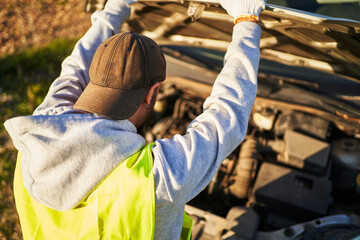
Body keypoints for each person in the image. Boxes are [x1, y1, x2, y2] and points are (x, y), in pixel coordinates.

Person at [5, 0, 265, 239]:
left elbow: (75, 65)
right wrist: (247, 21)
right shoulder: (156, 177)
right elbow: (228, 115)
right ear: (153, 93)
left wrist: (115, 6)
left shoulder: (38, 127)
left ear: (91, 79)